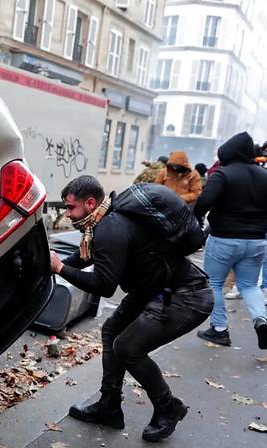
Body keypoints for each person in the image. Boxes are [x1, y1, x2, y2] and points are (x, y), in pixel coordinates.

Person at [53, 175, 212, 442]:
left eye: (71, 208)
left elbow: (104, 285)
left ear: (90, 203)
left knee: (128, 348)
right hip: (154, 290)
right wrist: (53, 265)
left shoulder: (108, 229)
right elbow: (86, 257)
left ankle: (168, 407)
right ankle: (109, 405)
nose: (68, 215)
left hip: (186, 296)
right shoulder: (104, 222)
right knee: (111, 331)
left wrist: (59, 269)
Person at [193, 132, 267, 349]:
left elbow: (203, 203)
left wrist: (197, 218)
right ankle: (261, 321)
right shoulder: (264, 176)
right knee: (248, 285)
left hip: (224, 239)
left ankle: (219, 330)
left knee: (214, 283)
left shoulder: (223, 175)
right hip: (256, 241)